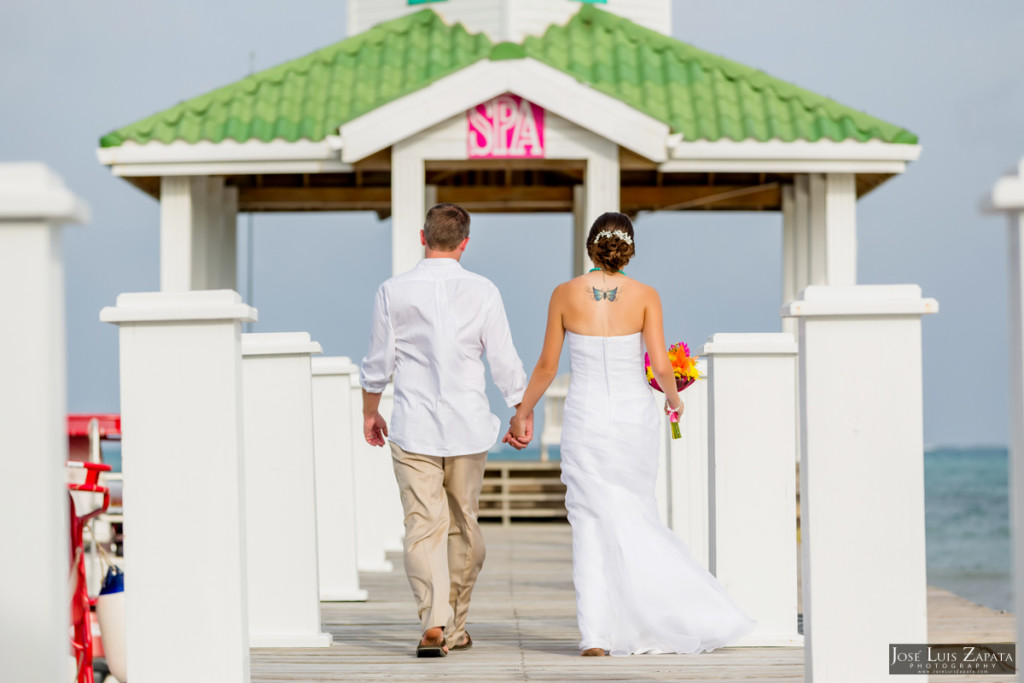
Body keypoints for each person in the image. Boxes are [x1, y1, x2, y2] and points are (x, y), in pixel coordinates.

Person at [502, 212, 757, 657]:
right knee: (635, 511)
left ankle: (595, 637)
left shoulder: (564, 294)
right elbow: (659, 363)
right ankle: (653, 620)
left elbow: (547, 366)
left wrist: (523, 413)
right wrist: (674, 397)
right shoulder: (646, 296)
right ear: (629, 249)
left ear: (590, 247)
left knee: (589, 521)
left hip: (585, 419)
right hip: (633, 419)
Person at [360, 203, 530, 658]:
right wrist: (521, 410)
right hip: (468, 426)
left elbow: (378, 362)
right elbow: (503, 359)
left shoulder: (392, 291)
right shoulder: (484, 290)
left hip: (413, 424)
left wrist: (370, 412)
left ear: (422, 237)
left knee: (422, 528)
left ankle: (434, 622)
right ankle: (454, 625)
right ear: (464, 243)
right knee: (463, 525)